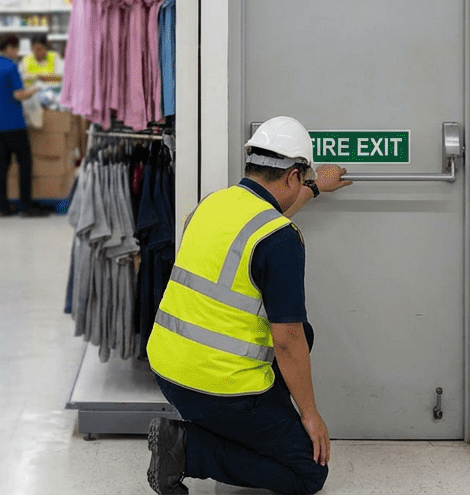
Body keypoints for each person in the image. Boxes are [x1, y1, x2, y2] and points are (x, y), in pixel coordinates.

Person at [145, 116, 353, 495]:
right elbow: (287, 340)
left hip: (167, 368)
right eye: (302, 178)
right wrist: (311, 414)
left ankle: (222, 430)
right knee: (308, 473)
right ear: (292, 175)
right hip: (217, 386)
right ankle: (188, 450)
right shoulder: (282, 240)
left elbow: (261, 225)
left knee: (300, 337)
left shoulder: (211, 205)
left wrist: (315, 189)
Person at [0, 34, 47, 217]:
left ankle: (3, 206)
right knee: (24, 163)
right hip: (13, 122)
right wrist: (35, 89)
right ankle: (26, 206)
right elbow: (18, 94)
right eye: (17, 48)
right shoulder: (11, 66)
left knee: (2, 164)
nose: (17, 52)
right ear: (10, 47)